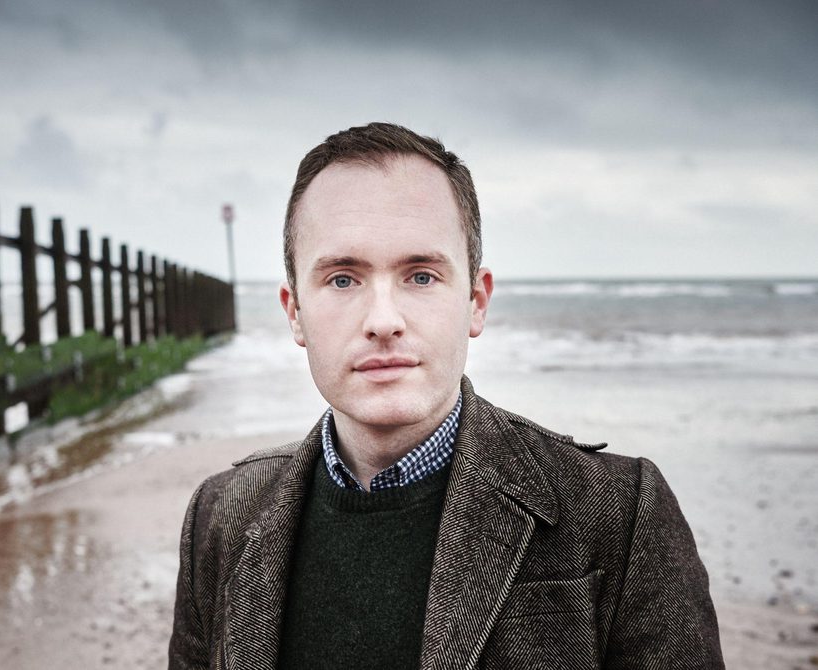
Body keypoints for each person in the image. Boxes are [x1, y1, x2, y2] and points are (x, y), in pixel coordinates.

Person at [167, 123, 723, 669]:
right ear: (295, 313)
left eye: (421, 276)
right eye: (342, 279)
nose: (383, 320)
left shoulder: (619, 513)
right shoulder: (221, 515)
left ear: (476, 301)